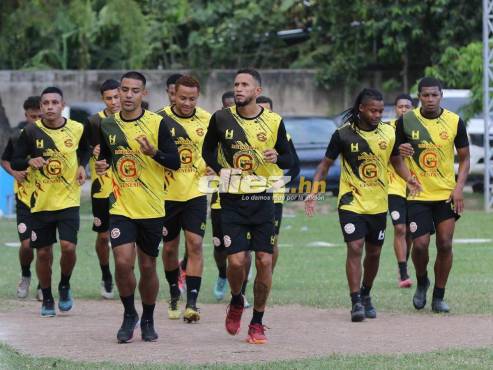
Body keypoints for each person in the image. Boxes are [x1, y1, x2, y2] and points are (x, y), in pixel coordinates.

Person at [305, 88, 421, 322]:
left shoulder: (389, 133)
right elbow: (324, 166)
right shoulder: (343, 134)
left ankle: (366, 293)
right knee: (355, 247)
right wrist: (313, 192)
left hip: (378, 203)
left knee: (374, 253)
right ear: (361, 109)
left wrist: (408, 178)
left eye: (380, 111)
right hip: (351, 201)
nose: (378, 114)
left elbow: (396, 160)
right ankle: (355, 300)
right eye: (373, 110)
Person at [202, 68, 293, 344]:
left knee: (265, 260)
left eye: (245, 85)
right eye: (236, 84)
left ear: (257, 91)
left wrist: (278, 154)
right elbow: (206, 150)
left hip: (262, 198)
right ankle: (237, 298)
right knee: (237, 260)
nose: (239, 89)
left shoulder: (274, 121)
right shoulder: (220, 119)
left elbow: (289, 157)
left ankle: (257, 322)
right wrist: (220, 170)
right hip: (231, 199)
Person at [95, 71, 180, 343]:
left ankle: (148, 317)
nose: (128, 95)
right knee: (122, 262)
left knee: (147, 266)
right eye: (124, 90)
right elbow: (108, 156)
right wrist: (102, 165)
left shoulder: (158, 123)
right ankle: (129, 312)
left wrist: (153, 153)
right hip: (121, 206)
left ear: (144, 94)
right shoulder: (107, 125)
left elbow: (175, 162)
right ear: (117, 93)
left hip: (153, 209)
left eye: (135, 91)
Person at [11, 87, 90, 317]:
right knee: (43, 254)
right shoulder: (30, 132)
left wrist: (81, 166)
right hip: (40, 202)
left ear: (62, 104)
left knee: (68, 247)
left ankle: (64, 285)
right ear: (42, 106)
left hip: (68, 200)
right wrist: (28, 160)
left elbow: (84, 149)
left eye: (54, 102)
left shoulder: (76, 128)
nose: (50, 107)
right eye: (46, 103)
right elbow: (15, 161)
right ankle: (46, 297)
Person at [396, 77, 470, 313]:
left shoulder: (455, 121)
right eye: (425, 95)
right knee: (419, 245)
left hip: (446, 194)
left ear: (441, 96)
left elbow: (465, 159)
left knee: (445, 244)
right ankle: (421, 282)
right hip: (418, 194)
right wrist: (404, 162)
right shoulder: (406, 121)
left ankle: (439, 296)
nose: (430, 99)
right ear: (419, 96)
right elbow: (394, 157)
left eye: (434, 95)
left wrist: (459, 188)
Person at [156, 76, 210, 323]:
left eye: (192, 99)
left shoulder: (208, 120)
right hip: (166, 195)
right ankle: (173, 291)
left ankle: (193, 303)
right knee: (169, 248)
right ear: (173, 95)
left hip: (195, 193)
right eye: (183, 98)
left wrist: (214, 166)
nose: (187, 103)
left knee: (195, 244)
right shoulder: (159, 120)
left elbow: (217, 150)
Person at [1, 96, 42, 300]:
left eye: (39, 116)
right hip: (25, 198)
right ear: (25, 115)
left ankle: (44, 284)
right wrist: (15, 173)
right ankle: (25, 275)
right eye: (32, 116)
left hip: (49, 199)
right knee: (26, 245)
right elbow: (5, 160)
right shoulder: (17, 135)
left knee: (44, 247)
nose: (36, 120)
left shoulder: (53, 135)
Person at [85, 79, 121, 299]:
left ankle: (124, 274)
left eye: (117, 96)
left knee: (128, 237)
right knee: (102, 236)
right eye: (109, 98)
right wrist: (91, 153)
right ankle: (106, 274)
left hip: (127, 187)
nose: (114, 101)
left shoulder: (135, 119)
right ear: (103, 99)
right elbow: (85, 150)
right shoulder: (93, 122)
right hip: (101, 188)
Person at [388, 93, 414, 288]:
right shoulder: (387, 128)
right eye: (400, 106)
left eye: (407, 106)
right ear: (395, 109)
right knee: (399, 228)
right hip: (393, 186)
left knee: (411, 232)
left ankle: (404, 265)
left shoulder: (420, 129)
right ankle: (403, 272)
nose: (403, 109)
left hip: (415, 187)